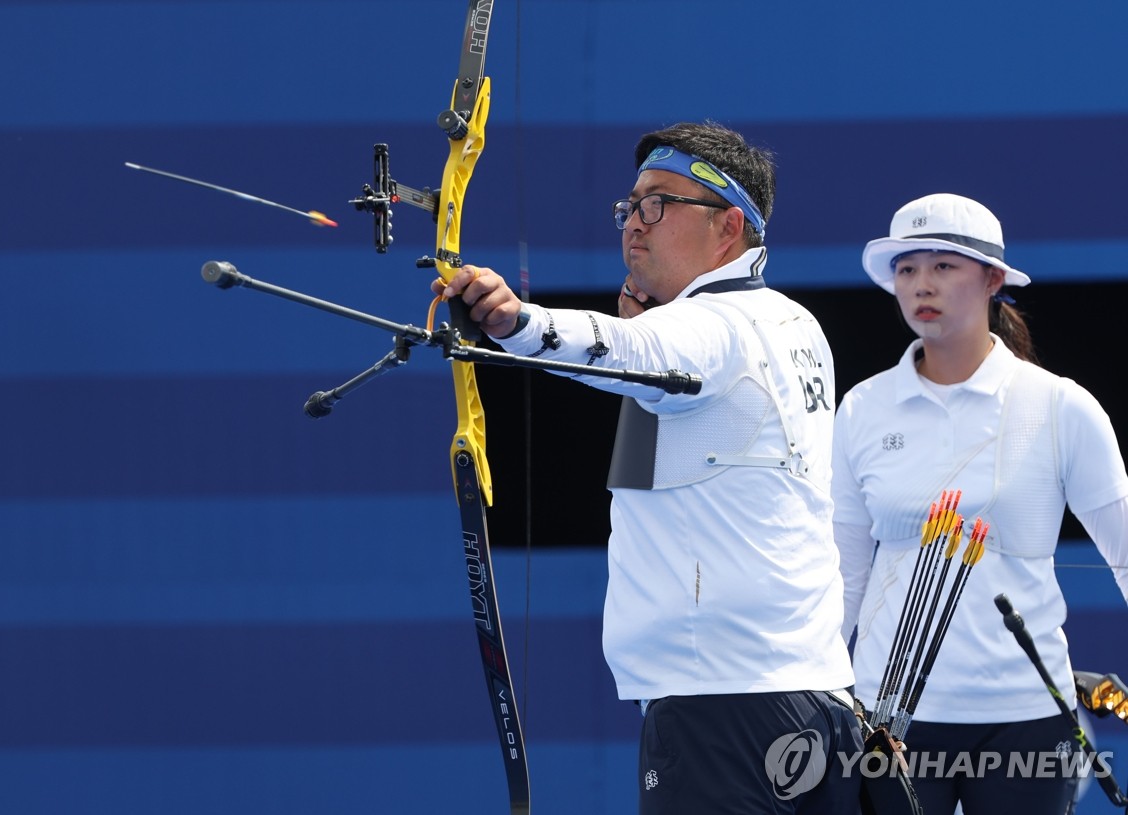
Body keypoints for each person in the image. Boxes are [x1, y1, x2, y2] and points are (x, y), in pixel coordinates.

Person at [437, 121, 861, 814]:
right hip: (812, 702)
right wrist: (647, 349)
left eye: (659, 203)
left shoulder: (713, 326)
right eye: (630, 205)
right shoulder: (792, 322)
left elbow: (618, 345)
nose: (634, 223)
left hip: (723, 718)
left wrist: (514, 322)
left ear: (729, 227)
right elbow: (661, 461)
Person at [832, 193, 1128, 815]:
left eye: (944, 266)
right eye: (907, 269)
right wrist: (821, 688)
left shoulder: (1060, 406)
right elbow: (843, 564)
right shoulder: (862, 407)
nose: (921, 285)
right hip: (889, 719)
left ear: (993, 279)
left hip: (1025, 714)